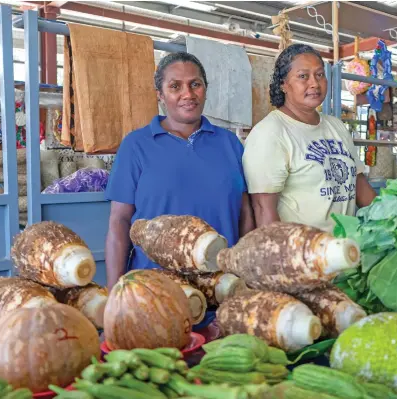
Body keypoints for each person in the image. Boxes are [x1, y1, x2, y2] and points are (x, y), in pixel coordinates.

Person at [104, 52, 254, 289]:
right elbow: (119, 222)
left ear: (206, 88)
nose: (188, 94)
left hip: (222, 288)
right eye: (175, 86)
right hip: (154, 291)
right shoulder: (137, 145)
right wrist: (114, 292)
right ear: (160, 95)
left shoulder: (230, 144)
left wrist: (247, 280)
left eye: (196, 84)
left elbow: (245, 215)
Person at [242, 44, 376, 231]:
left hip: (344, 249)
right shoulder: (270, 133)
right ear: (283, 84)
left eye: (320, 74)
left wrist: (391, 219)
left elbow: (359, 186)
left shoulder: (335, 126)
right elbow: (263, 210)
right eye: (303, 76)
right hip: (303, 253)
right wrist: (281, 257)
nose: (314, 83)